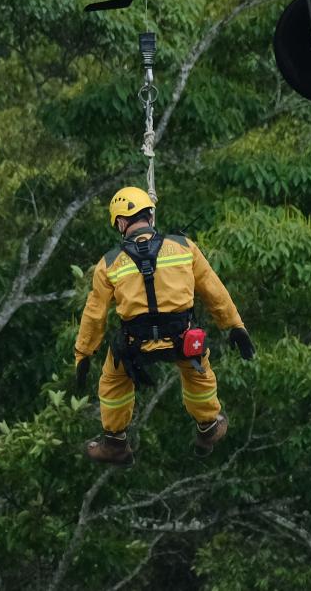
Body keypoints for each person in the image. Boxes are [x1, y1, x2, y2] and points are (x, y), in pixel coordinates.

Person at [74, 186, 255, 466]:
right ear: (150, 215)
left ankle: (115, 444)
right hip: (182, 339)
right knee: (198, 370)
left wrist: (83, 354)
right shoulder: (184, 247)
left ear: (122, 222)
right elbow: (213, 290)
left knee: (113, 379)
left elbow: (94, 315)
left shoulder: (108, 263)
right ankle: (208, 425)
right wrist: (234, 325)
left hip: (136, 345)